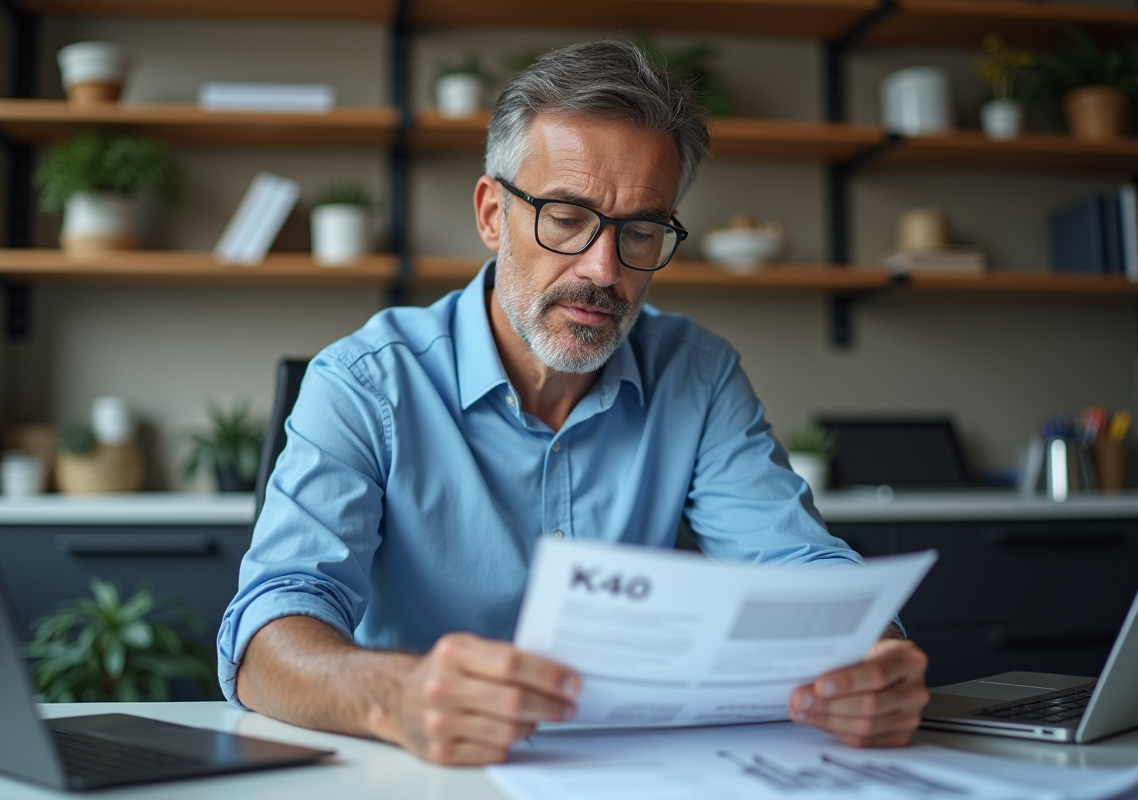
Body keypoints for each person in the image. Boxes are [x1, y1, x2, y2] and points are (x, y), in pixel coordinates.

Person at [218, 39, 928, 766]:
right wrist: (393, 696)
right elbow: (267, 635)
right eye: (565, 217)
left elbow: (795, 561)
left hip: (631, 765)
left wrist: (870, 657)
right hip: (421, 768)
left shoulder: (698, 373)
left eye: (641, 231)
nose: (603, 269)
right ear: (492, 214)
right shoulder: (363, 382)